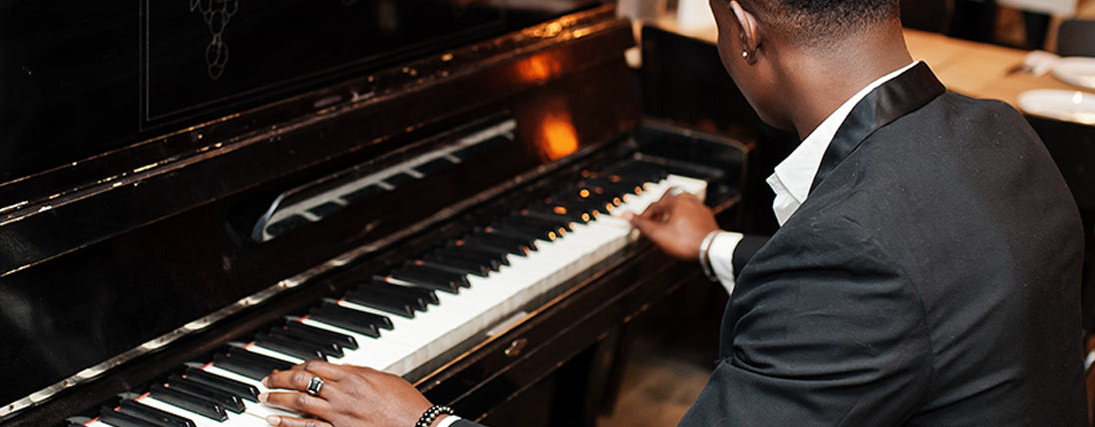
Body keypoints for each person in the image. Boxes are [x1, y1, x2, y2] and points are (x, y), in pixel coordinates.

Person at [253, 0, 1088, 425]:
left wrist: (421, 416)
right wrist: (714, 246)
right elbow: (911, 281)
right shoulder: (996, 133)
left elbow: (867, 277)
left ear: (743, 29)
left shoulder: (854, 253)